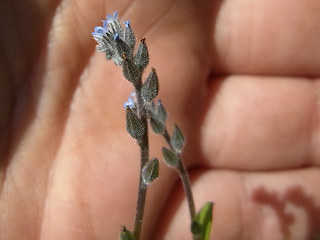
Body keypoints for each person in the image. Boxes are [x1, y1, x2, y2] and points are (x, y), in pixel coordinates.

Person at [0, 0, 319, 239]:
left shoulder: (138, 76)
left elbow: (137, 77)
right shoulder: (127, 63)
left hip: (144, 95)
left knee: (156, 154)